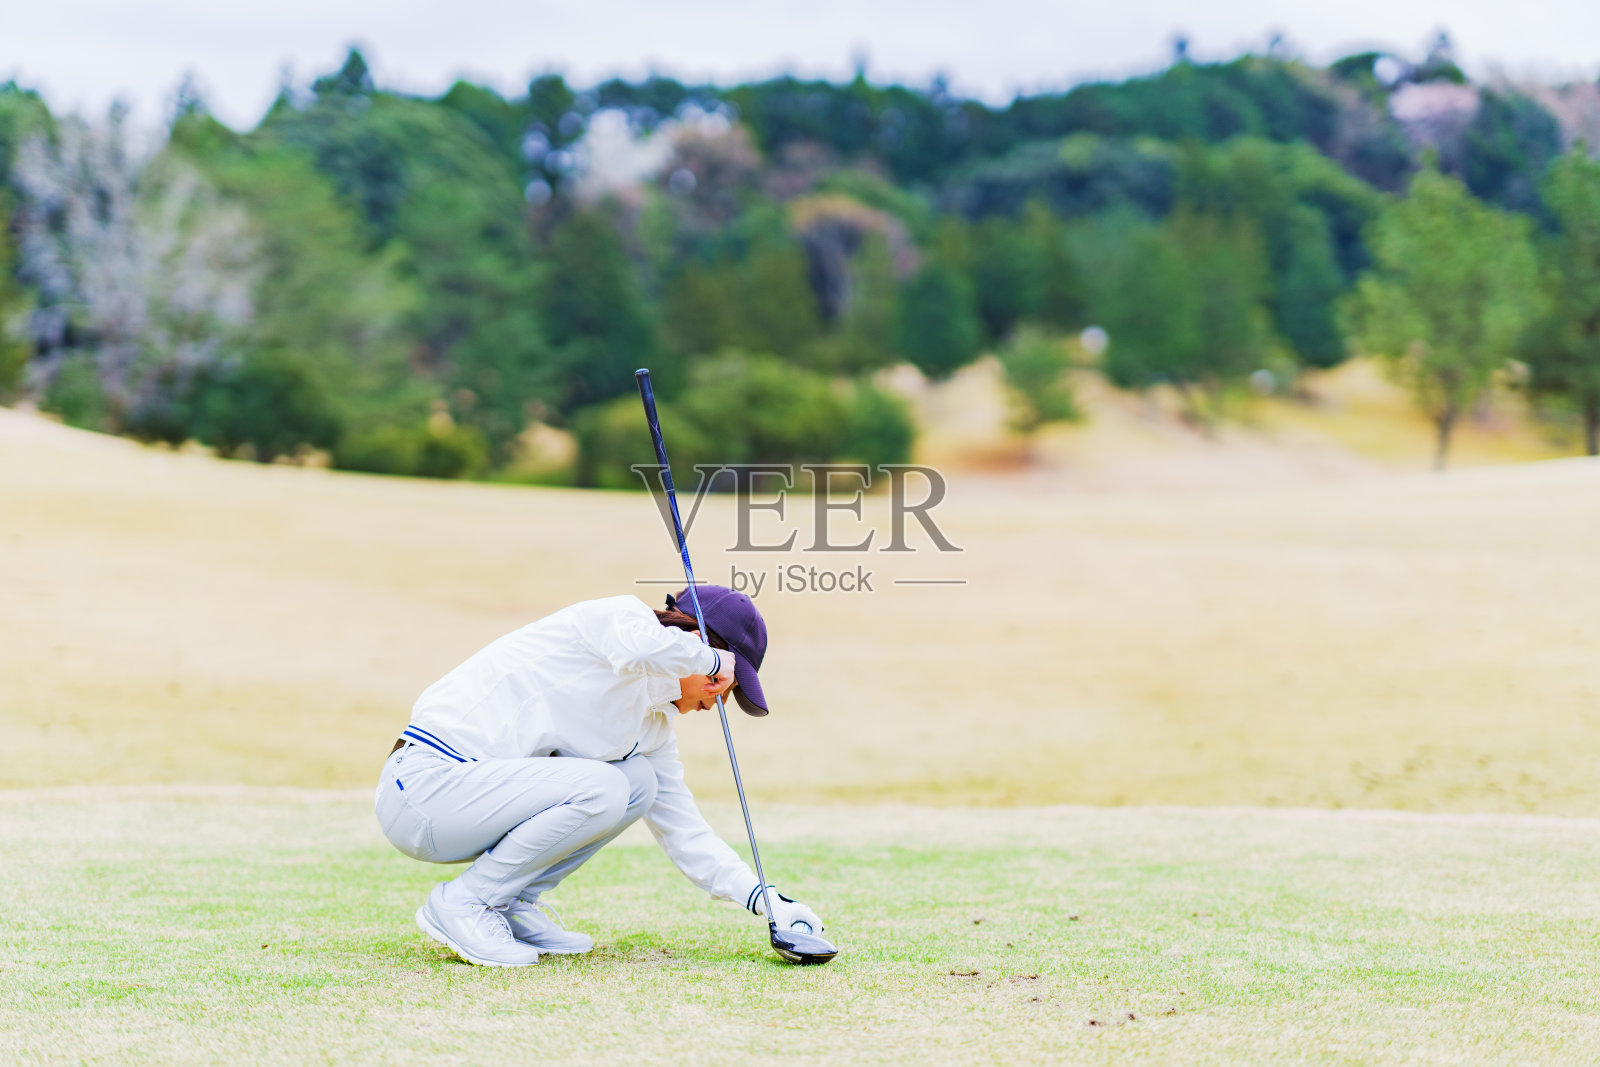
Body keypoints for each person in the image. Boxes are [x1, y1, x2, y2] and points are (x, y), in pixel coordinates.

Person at [374, 584, 825, 966]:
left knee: (638, 784)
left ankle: (511, 901)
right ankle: (464, 903)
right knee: (605, 787)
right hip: (423, 789)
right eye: (728, 684)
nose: (718, 701)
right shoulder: (617, 620)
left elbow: (685, 831)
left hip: (469, 804)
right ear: (699, 643)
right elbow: (643, 646)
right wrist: (708, 661)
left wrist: (764, 899)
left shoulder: (651, 729)